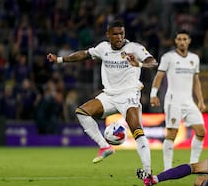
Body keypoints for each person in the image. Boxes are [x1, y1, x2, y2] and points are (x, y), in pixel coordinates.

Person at [46, 20, 158, 174]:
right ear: (108, 35)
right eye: (115, 34)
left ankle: (147, 172)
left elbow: (153, 63)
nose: (119, 37)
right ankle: (104, 146)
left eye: (121, 34)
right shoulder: (103, 48)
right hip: (109, 96)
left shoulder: (134, 48)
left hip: (129, 95)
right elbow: (84, 54)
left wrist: (138, 64)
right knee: (82, 112)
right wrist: (59, 60)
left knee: (137, 130)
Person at [149, 29, 206, 171]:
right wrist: (153, 94)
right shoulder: (168, 57)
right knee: (172, 134)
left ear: (189, 41)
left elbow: (196, 80)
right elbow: (159, 76)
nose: (182, 41)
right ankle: (167, 168)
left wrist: (200, 100)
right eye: (179, 39)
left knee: (201, 131)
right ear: (175, 41)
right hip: (173, 101)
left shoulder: (194, 58)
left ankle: (193, 164)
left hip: (188, 102)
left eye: (184, 39)